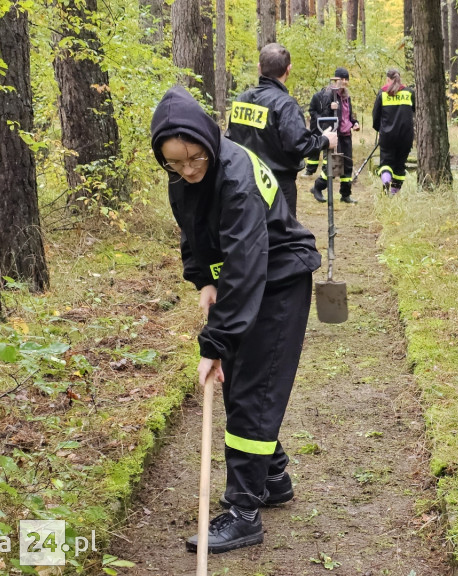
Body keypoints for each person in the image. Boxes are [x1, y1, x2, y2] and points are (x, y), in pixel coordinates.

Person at [150, 85, 321, 554]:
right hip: (250, 275)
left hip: (280, 278)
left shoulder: (236, 176)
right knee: (248, 385)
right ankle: (273, 477)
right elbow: (194, 228)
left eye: (194, 159)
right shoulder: (181, 173)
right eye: (175, 163)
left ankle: (243, 512)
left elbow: (247, 266)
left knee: (251, 388)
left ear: (208, 139)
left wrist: (214, 343)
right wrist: (202, 277)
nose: (187, 169)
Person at [227, 43, 338, 217]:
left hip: (243, 183)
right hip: (277, 186)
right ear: (288, 69)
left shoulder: (242, 99)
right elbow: (299, 145)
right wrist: (325, 140)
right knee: (282, 239)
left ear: (259, 68)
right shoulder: (285, 104)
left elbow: (230, 142)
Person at [308, 67, 360, 204]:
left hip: (346, 134)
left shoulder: (347, 97)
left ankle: (345, 194)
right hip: (334, 134)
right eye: (341, 79)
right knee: (333, 165)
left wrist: (355, 123)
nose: (343, 82)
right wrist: (331, 109)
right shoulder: (329, 95)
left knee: (347, 164)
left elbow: (349, 116)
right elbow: (323, 117)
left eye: (346, 79)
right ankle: (317, 188)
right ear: (335, 80)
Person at [371, 68, 415, 196]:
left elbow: (376, 116)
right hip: (405, 136)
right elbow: (416, 109)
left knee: (386, 162)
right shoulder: (409, 93)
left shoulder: (382, 94)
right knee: (400, 165)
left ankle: (386, 180)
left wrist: (379, 129)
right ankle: (394, 193)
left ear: (388, 80)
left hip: (387, 135)